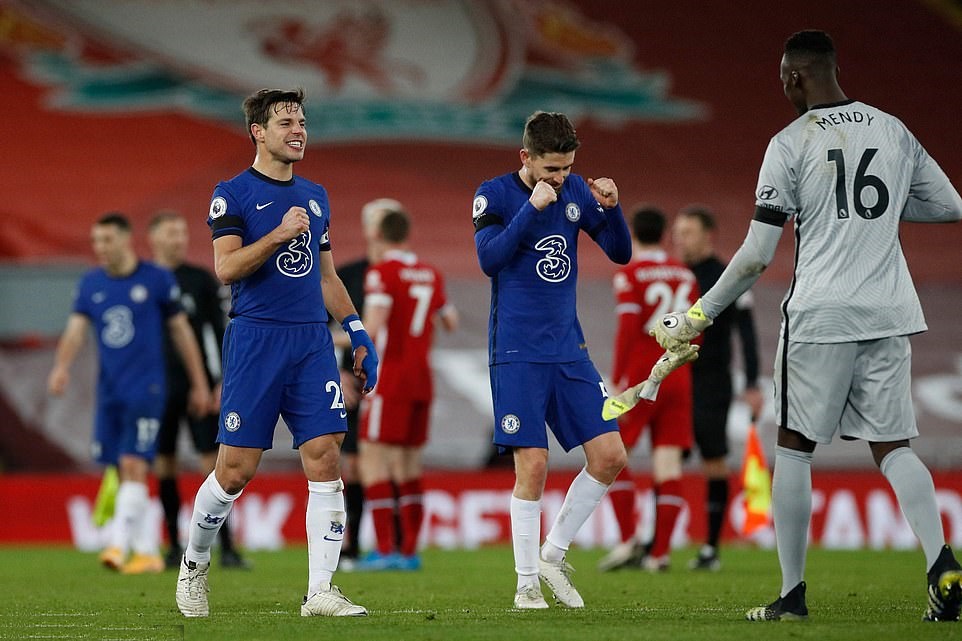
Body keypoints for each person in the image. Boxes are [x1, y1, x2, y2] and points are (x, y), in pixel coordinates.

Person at [650, 30, 962, 622]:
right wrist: (878, 211)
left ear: (794, 76)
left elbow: (756, 255)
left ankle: (792, 596)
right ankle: (941, 562)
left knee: (793, 447)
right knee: (894, 447)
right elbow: (950, 205)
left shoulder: (790, 143)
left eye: (782, 79)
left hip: (820, 315)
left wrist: (697, 315)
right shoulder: (894, 129)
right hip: (890, 310)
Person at [174, 88, 379, 618]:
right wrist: (278, 234)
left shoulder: (315, 195)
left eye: (302, 122)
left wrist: (357, 332)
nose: (298, 131)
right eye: (286, 122)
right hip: (256, 341)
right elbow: (226, 268)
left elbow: (326, 276)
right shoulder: (232, 193)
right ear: (258, 132)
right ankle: (195, 562)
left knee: (327, 453)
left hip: (310, 341)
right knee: (235, 470)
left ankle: (321, 591)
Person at [473, 110, 632, 609]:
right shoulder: (494, 194)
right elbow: (489, 260)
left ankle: (552, 554)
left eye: (567, 168)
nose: (561, 179)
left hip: (569, 349)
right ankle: (526, 585)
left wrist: (612, 209)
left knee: (611, 456)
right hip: (517, 351)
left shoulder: (576, 190)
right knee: (534, 464)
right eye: (551, 169)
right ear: (526, 157)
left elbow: (620, 252)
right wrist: (530, 209)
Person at [48, 212, 211, 575]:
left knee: (135, 463)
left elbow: (182, 332)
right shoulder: (91, 283)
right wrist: (61, 367)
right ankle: (148, 552)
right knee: (121, 470)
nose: (100, 248)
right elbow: (76, 329)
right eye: (96, 241)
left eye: (107, 240)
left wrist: (200, 383)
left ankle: (118, 545)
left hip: (147, 389)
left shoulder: (156, 279)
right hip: (109, 392)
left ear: (126, 240)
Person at [597, 206, 698, 573]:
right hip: (678, 376)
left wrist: (617, 378)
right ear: (664, 234)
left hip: (642, 377)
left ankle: (628, 541)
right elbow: (698, 326)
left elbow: (628, 327)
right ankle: (661, 555)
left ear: (633, 234)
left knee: (610, 454)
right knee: (668, 463)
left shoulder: (631, 274)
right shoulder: (685, 274)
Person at [147, 211, 249, 571]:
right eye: (170, 233)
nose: (178, 239)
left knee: (214, 464)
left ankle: (228, 547)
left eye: (181, 233)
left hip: (198, 386)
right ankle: (173, 545)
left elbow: (220, 333)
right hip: (156, 388)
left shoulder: (200, 280)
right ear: (153, 238)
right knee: (164, 463)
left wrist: (219, 382)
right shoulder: (144, 281)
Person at [671, 205, 764, 571]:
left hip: (712, 381)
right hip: (676, 378)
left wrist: (752, 382)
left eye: (687, 232)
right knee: (667, 454)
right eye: (677, 232)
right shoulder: (674, 275)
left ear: (708, 235)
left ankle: (710, 547)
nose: (680, 239)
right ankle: (656, 545)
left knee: (713, 458)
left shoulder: (729, 276)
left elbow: (747, 333)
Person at [331, 197, 397, 569]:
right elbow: (325, 329)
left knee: (394, 462)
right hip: (357, 383)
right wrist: (335, 371)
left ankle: (396, 545)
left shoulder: (407, 274)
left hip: (395, 382)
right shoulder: (348, 276)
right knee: (353, 465)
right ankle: (353, 545)